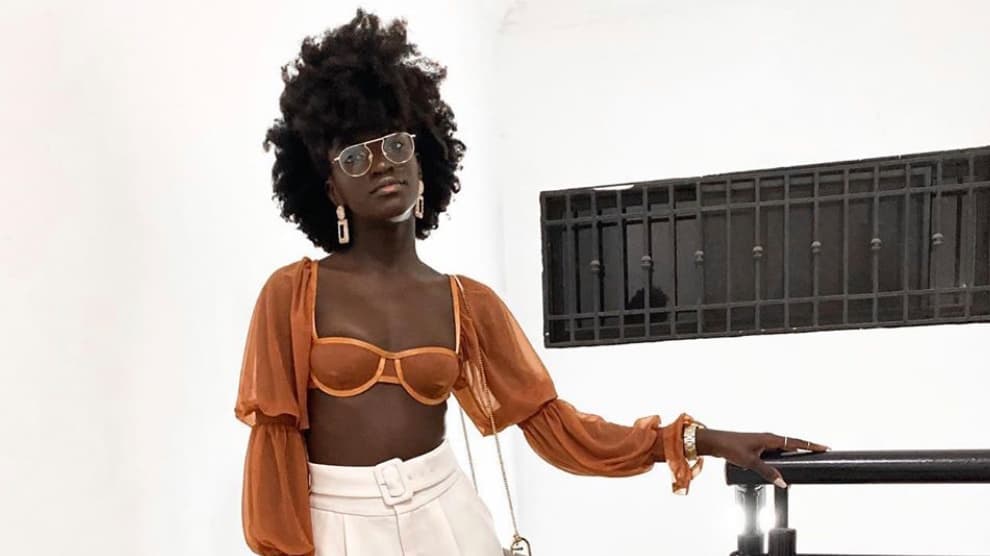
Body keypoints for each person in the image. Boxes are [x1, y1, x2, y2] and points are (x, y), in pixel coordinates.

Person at [234, 9, 827, 556]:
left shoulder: (465, 303)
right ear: (330, 187)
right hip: (338, 524)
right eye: (355, 157)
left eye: (394, 144)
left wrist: (703, 440)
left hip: (447, 516)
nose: (382, 163)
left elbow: (556, 429)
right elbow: (274, 449)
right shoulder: (294, 294)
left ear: (423, 159)